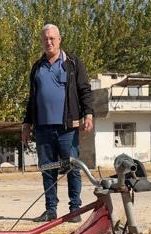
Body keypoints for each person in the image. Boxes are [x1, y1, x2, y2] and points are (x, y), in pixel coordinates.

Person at [22, 23, 94, 223]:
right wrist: (26, 124)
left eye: (52, 38)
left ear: (59, 40)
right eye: (45, 39)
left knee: (72, 168)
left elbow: (84, 90)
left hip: (67, 128)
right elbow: (32, 99)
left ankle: (75, 210)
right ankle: (51, 210)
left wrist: (88, 114)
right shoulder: (37, 67)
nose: (49, 42)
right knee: (47, 169)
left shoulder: (72, 63)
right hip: (43, 128)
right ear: (41, 42)